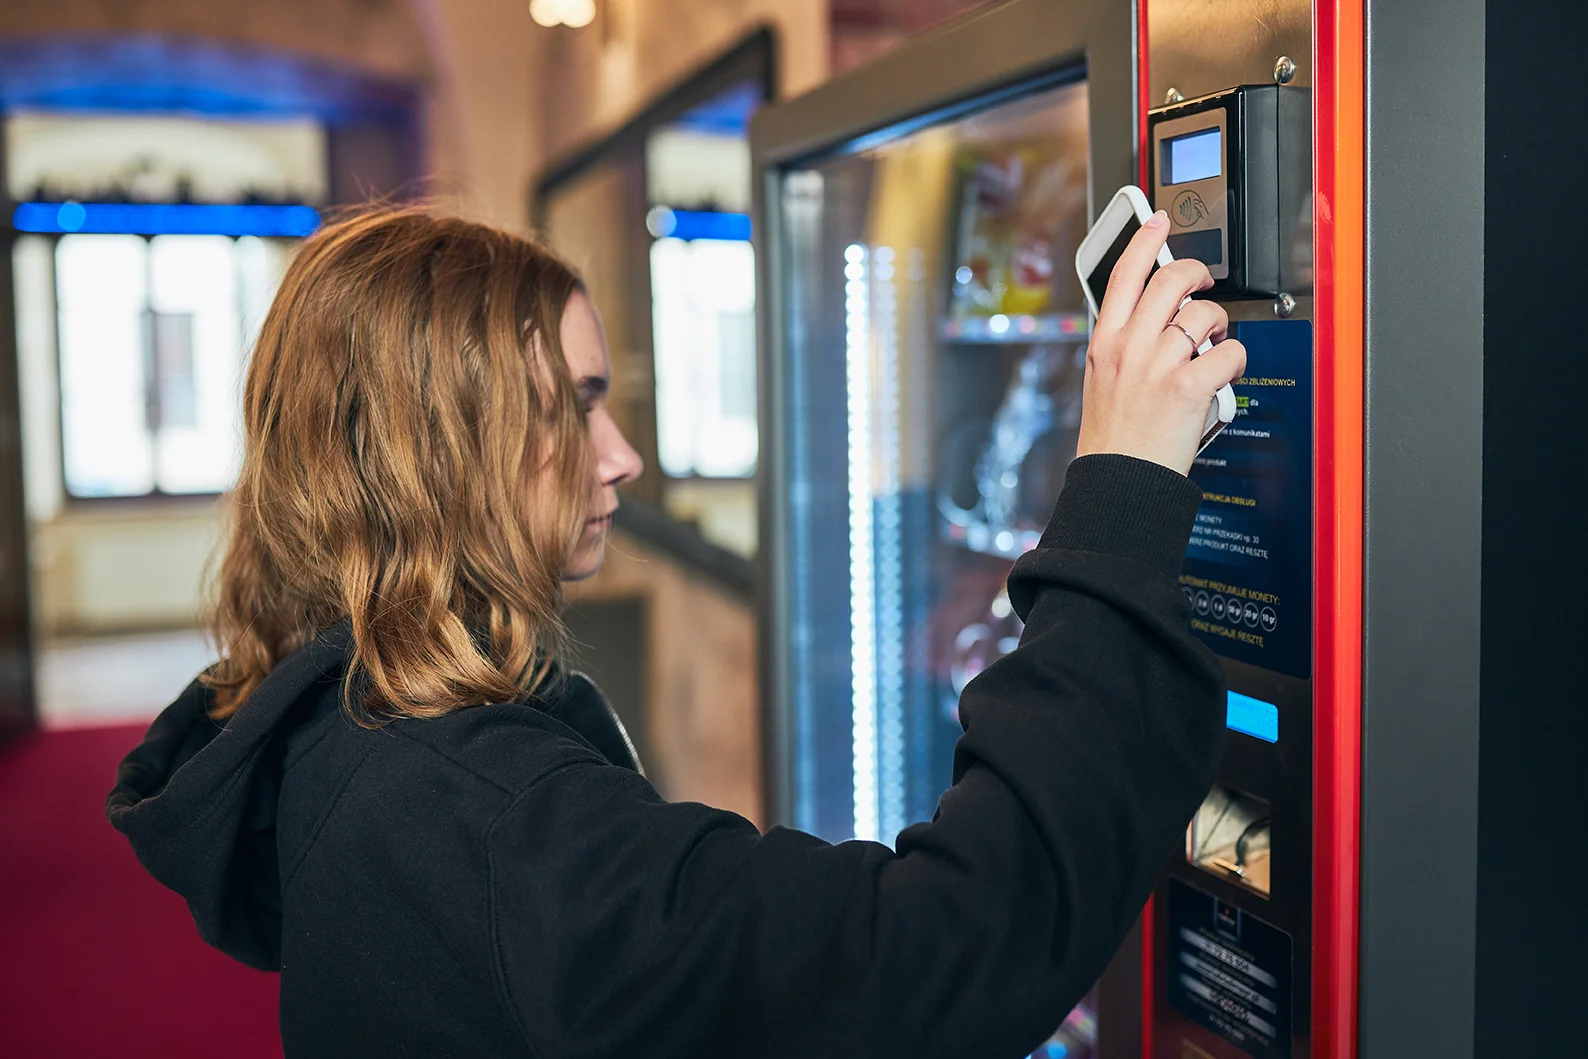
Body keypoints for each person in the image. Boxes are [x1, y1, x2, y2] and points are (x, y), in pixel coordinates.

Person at [108, 205, 1244, 1058]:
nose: (620, 458)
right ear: (435, 453)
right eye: (574, 407)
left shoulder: (333, 720)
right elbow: (932, 956)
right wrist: (1124, 496)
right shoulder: (478, 817)